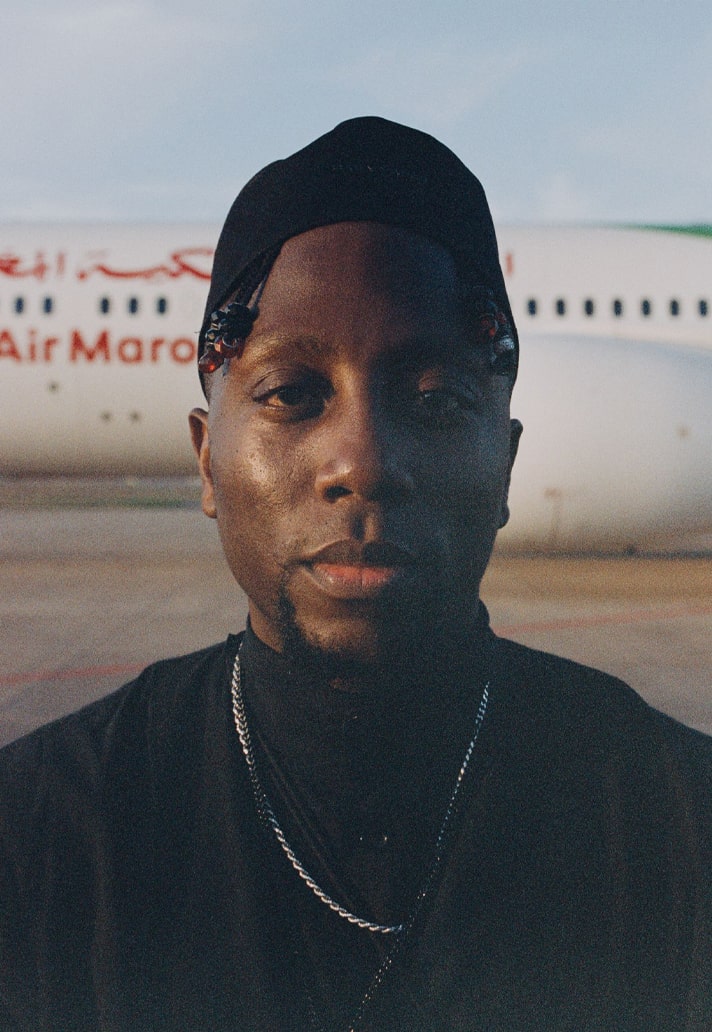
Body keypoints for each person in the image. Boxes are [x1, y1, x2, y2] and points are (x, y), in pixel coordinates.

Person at [1, 117, 710, 1032]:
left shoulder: (678, 831)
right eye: (292, 394)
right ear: (206, 460)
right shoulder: (40, 836)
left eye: (437, 401)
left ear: (507, 464)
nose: (361, 463)